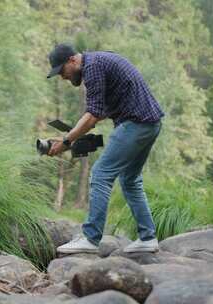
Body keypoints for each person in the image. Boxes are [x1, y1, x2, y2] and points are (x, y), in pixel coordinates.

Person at [46, 43, 164, 254]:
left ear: (72, 60)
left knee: (100, 174)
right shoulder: (99, 61)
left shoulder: (93, 68)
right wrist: (70, 137)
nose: (62, 77)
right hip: (150, 124)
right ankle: (148, 238)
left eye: (62, 71)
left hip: (136, 124)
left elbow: (92, 116)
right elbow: (98, 113)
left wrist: (66, 142)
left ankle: (90, 239)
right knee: (130, 179)